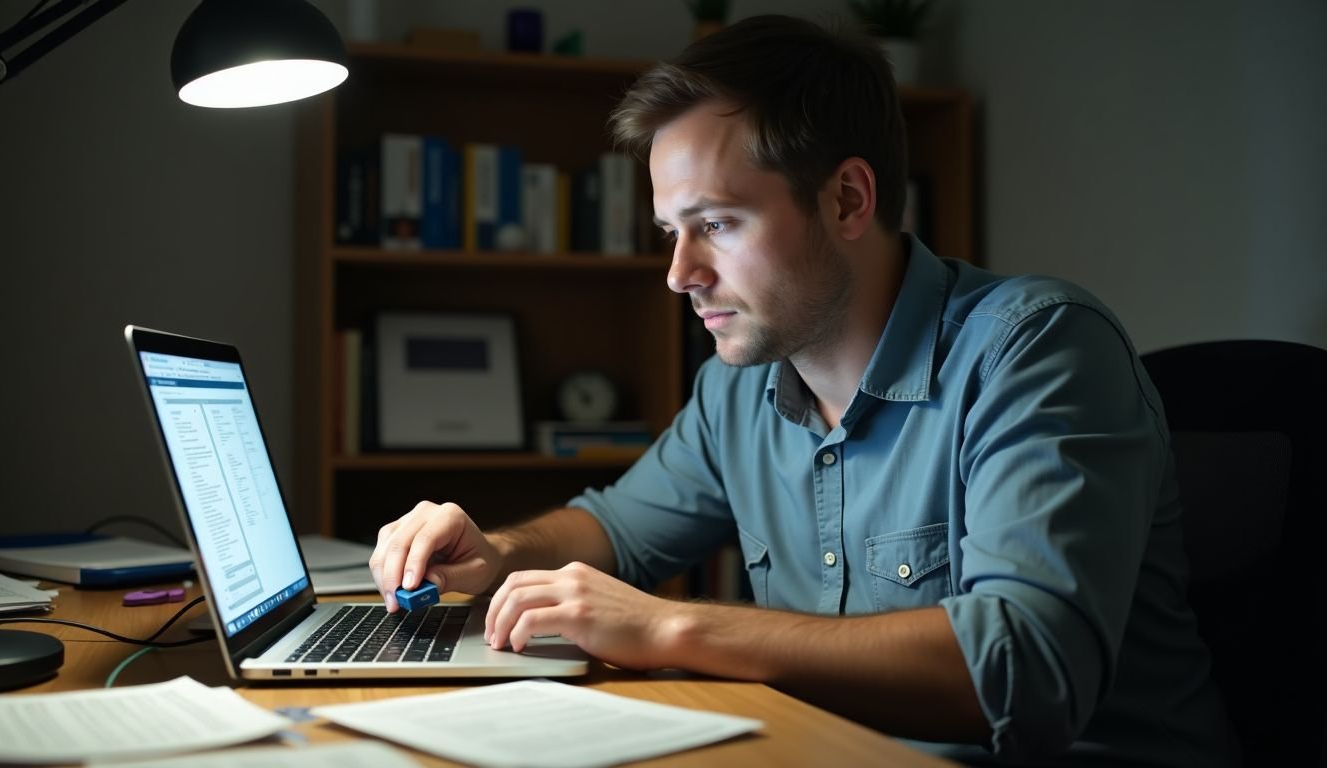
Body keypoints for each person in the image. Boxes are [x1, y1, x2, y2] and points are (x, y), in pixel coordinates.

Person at [369, 14, 1233, 766]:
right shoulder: (735, 392)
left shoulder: (1037, 349)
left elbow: (1025, 669)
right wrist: (498, 550)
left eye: (716, 224)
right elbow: (616, 531)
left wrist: (674, 629)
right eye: (672, 231)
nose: (678, 274)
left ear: (848, 199)